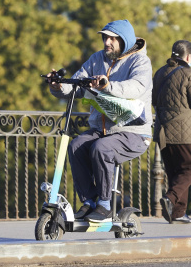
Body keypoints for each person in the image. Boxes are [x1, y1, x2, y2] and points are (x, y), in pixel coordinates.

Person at [47, 19, 153, 222]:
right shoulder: (97, 59)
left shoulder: (140, 62)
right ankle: (89, 201)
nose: (107, 42)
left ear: (125, 40)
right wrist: (57, 86)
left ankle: (105, 205)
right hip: (102, 129)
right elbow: (77, 85)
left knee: (101, 148)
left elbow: (136, 88)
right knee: (76, 145)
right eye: (105, 38)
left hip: (133, 132)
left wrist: (107, 86)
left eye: (113, 38)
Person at [152, 40, 191, 224]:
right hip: (184, 132)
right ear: (189, 57)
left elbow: (153, 100)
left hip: (161, 130)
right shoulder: (188, 74)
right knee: (188, 169)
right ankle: (170, 198)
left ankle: (177, 213)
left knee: (176, 172)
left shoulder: (160, 72)